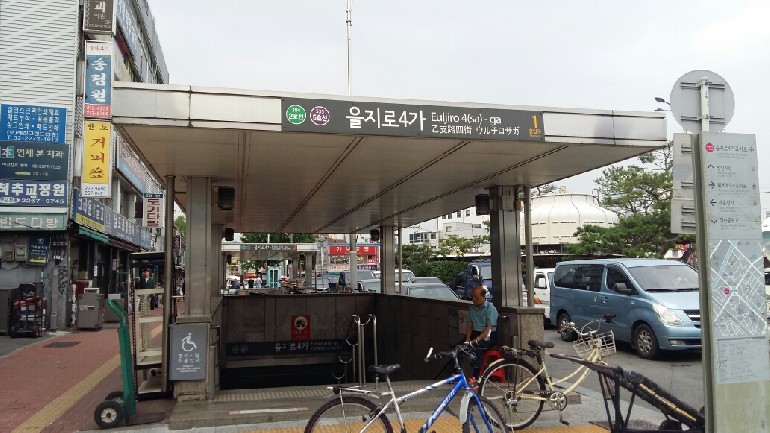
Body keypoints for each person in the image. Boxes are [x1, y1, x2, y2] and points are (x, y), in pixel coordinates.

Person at [464, 281, 498, 384]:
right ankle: (455, 373)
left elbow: (489, 328)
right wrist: (468, 337)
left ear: (483, 296)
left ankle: (475, 377)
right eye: (472, 297)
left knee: (477, 348)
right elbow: (469, 324)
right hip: (475, 332)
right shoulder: (472, 308)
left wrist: (477, 339)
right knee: (458, 347)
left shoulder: (491, 309)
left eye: (476, 297)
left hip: (488, 335)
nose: (474, 299)